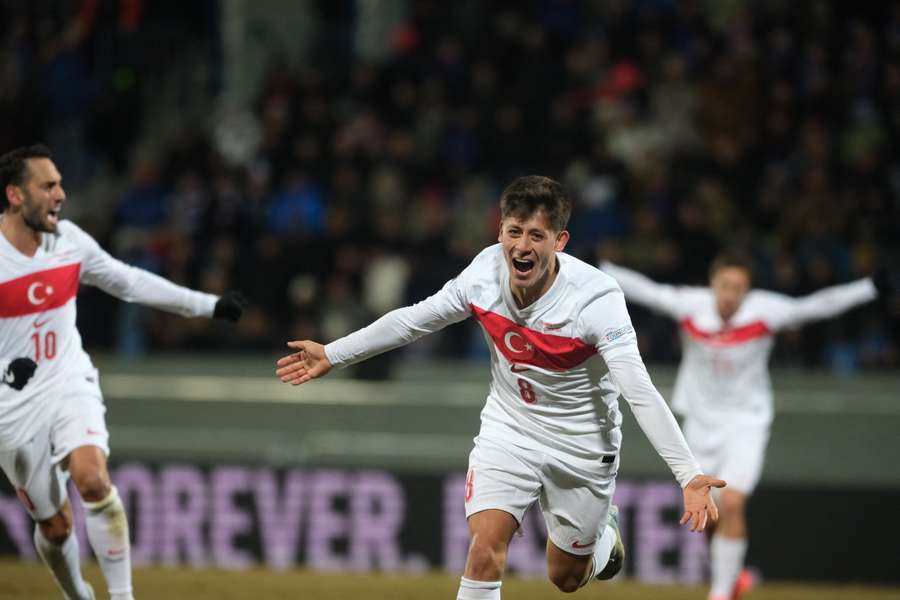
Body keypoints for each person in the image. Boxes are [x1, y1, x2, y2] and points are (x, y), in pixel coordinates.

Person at [276, 175, 725, 599]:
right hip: (510, 429)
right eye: (514, 232)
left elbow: (638, 389)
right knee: (484, 546)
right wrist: (334, 354)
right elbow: (413, 320)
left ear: (559, 242)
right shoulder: (483, 275)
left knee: (565, 577)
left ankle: (604, 536)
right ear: (500, 232)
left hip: (583, 444)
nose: (522, 247)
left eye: (536, 235)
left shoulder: (596, 300)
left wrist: (687, 475)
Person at [0, 144, 246, 600]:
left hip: (68, 379)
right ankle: (78, 593)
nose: (60, 194)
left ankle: (122, 597)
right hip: (10, 407)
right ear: (16, 196)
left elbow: (128, 281)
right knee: (54, 527)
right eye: (47, 185)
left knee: (92, 479)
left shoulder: (69, 241)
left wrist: (207, 305)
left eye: (60, 183)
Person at [600, 253, 879, 600]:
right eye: (726, 286)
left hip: (747, 422)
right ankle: (733, 576)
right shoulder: (690, 306)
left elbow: (815, 306)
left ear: (748, 291)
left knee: (731, 503)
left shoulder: (765, 311)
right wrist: (604, 267)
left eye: (739, 289)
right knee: (708, 512)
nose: (731, 295)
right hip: (700, 423)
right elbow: (647, 291)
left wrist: (868, 287)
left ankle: (721, 593)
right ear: (713, 284)